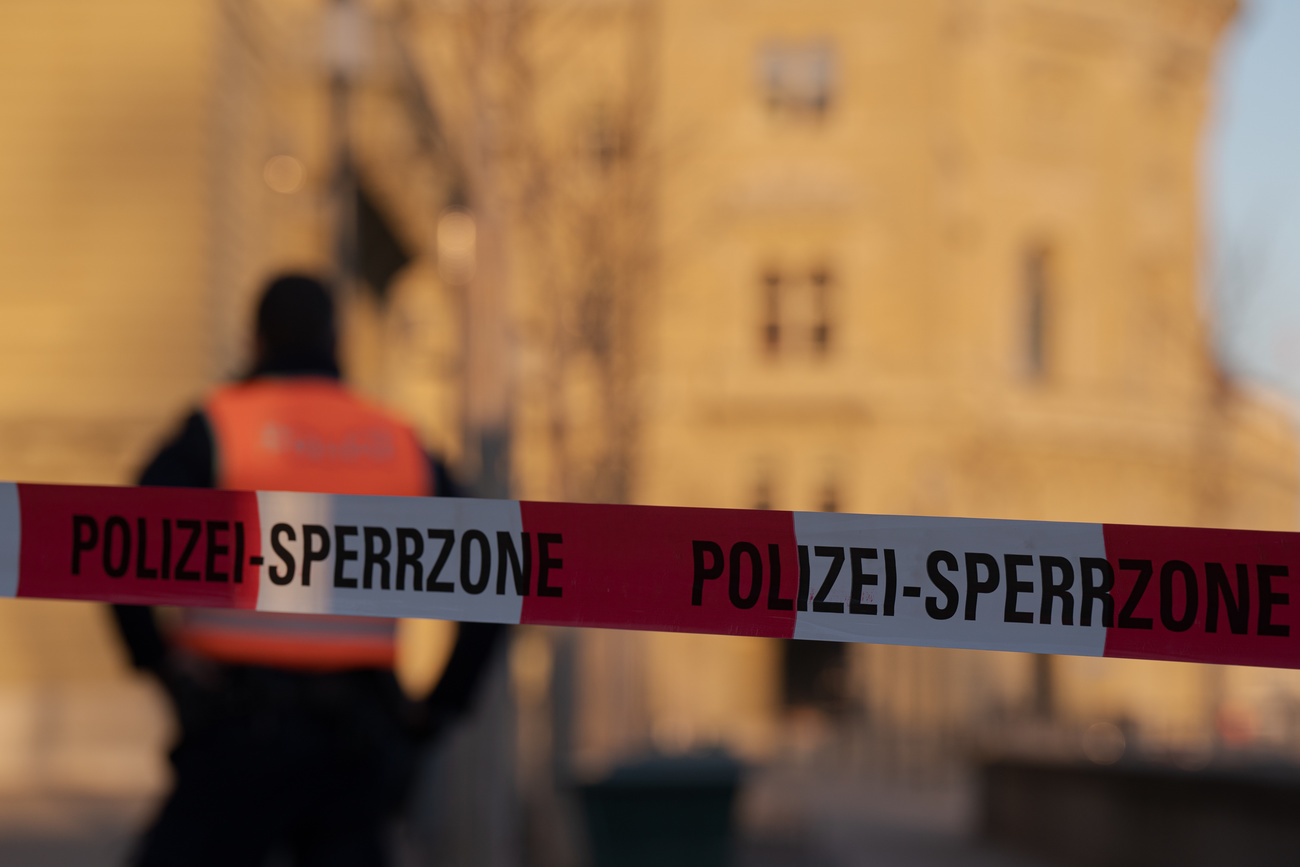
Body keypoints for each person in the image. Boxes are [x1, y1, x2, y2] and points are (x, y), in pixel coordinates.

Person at [112, 274, 502, 867]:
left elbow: (120, 543)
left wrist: (159, 662)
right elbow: (494, 576)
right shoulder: (397, 441)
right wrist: (435, 710)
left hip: (237, 734)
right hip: (358, 742)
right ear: (336, 343)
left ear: (257, 341)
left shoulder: (220, 428)